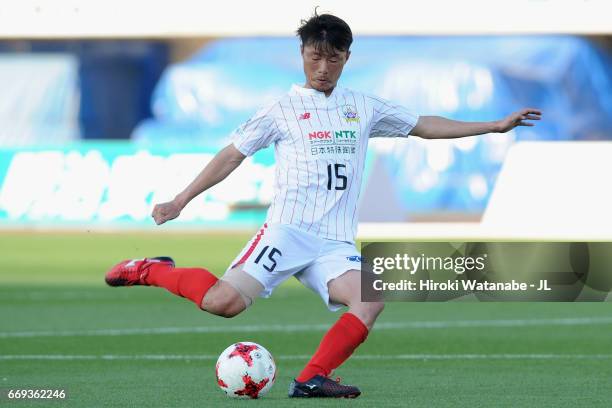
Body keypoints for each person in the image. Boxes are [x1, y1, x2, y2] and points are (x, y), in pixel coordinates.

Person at [105, 11, 541, 398]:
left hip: (334, 243)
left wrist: (493, 126)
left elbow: (423, 124)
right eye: (315, 56)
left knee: (370, 299)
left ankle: (312, 378)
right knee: (223, 303)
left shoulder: (363, 107)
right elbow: (232, 154)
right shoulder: (281, 109)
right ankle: (149, 268)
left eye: (333, 58)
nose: (323, 66)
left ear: (346, 58)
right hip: (286, 232)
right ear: (302, 53)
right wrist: (181, 200)